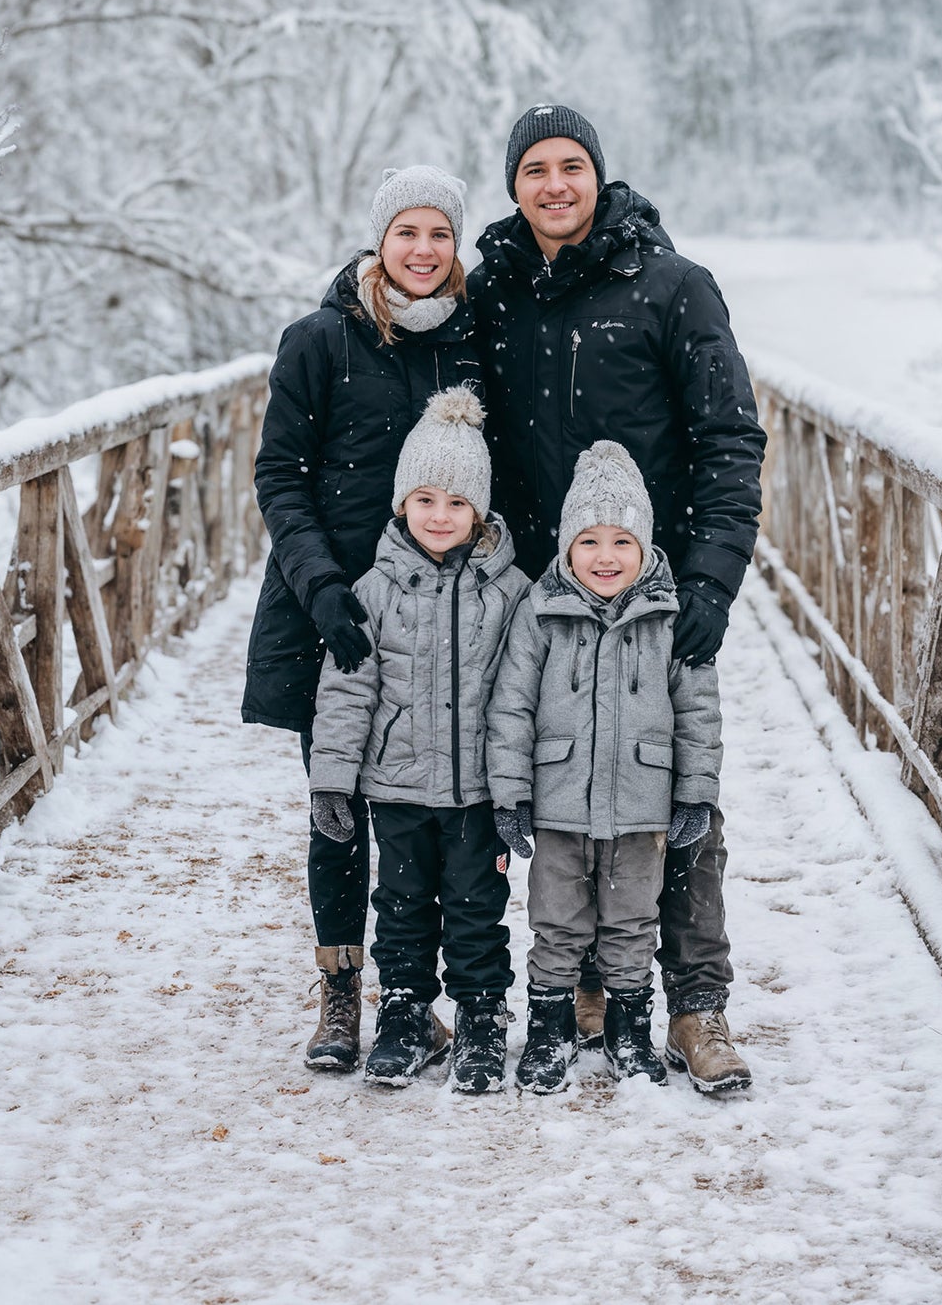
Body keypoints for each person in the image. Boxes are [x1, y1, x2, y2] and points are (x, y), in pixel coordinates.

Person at [470, 103, 764, 1094]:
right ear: (513, 185)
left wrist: (714, 575)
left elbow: (730, 439)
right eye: (533, 171)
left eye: (570, 166)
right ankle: (593, 979)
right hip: (538, 598)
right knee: (560, 780)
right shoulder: (495, 293)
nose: (554, 185)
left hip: (658, 591)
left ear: (598, 175)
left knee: (679, 792)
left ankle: (696, 1003)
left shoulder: (672, 288)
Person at [242, 165, 481, 1072]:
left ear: (456, 248)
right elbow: (280, 476)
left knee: (425, 816)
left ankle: (414, 1001)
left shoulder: (472, 343)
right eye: (406, 233)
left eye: (439, 235)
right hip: (333, 613)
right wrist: (320, 586)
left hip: (445, 617)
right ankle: (341, 995)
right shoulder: (317, 341)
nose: (422, 251)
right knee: (338, 806)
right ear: (377, 241)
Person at [308, 388, 529, 1093]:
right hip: (396, 786)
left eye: (456, 503)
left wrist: (518, 788)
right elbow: (346, 690)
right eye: (426, 499)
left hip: (476, 792)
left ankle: (481, 1019)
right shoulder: (372, 591)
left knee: (475, 912)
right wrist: (332, 780)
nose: (440, 516)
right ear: (402, 504)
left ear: (480, 512)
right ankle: (404, 1014)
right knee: (399, 910)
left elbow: (524, 697)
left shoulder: (511, 593)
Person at [487, 440, 722, 1093]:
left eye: (622, 542)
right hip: (558, 801)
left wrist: (694, 796)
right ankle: (549, 1028)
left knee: (629, 924)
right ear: (566, 547)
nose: (605, 557)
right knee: (556, 923)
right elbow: (509, 708)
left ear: (644, 549)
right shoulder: (540, 614)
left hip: (639, 806)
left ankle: (627, 1029)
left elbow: (698, 716)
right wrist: (509, 796)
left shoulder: (671, 619)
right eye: (589, 541)